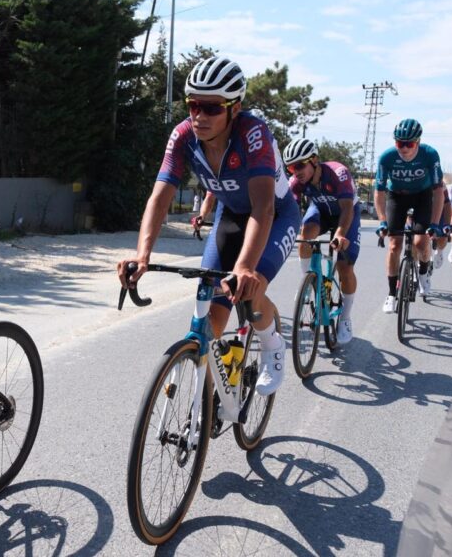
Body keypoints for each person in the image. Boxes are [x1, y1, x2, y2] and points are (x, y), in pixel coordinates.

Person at [118, 56, 299, 396]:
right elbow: (159, 198)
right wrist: (142, 255)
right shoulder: (183, 136)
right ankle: (209, 403)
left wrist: (244, 266)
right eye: (193, 105)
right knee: (211, 319)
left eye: (212, 108)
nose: (199, 115)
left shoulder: (253, 134)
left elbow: (263, 207)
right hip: (230, 216)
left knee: (250, 291)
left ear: (235, 108)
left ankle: (272, 343)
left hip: (275, 216)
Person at [282, 138, 360, 344]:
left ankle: (345, 318)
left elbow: (347, 209)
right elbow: (288, 211)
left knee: (345, 268)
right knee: (305, 235)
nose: (295, 172)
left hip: (346, 213)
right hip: (321, 211)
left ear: (314, 160)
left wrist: (340, 234)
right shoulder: (296, 182)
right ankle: (308, 283)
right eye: (290, 167)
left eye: (299, 165)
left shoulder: (338, 173)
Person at [374, 118, 444, 312]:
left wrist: (435, 224)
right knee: (394, 245)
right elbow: (379, 192)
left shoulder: (430, 155)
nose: (404, 148)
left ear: (418, 142)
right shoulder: (386, 157)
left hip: (422, 196)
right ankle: (391, 294)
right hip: (396, 196)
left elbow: (438, 191)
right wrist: (382, 221)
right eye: (400, 143)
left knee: (420, 242)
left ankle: (423, 273)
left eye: (409, 144)